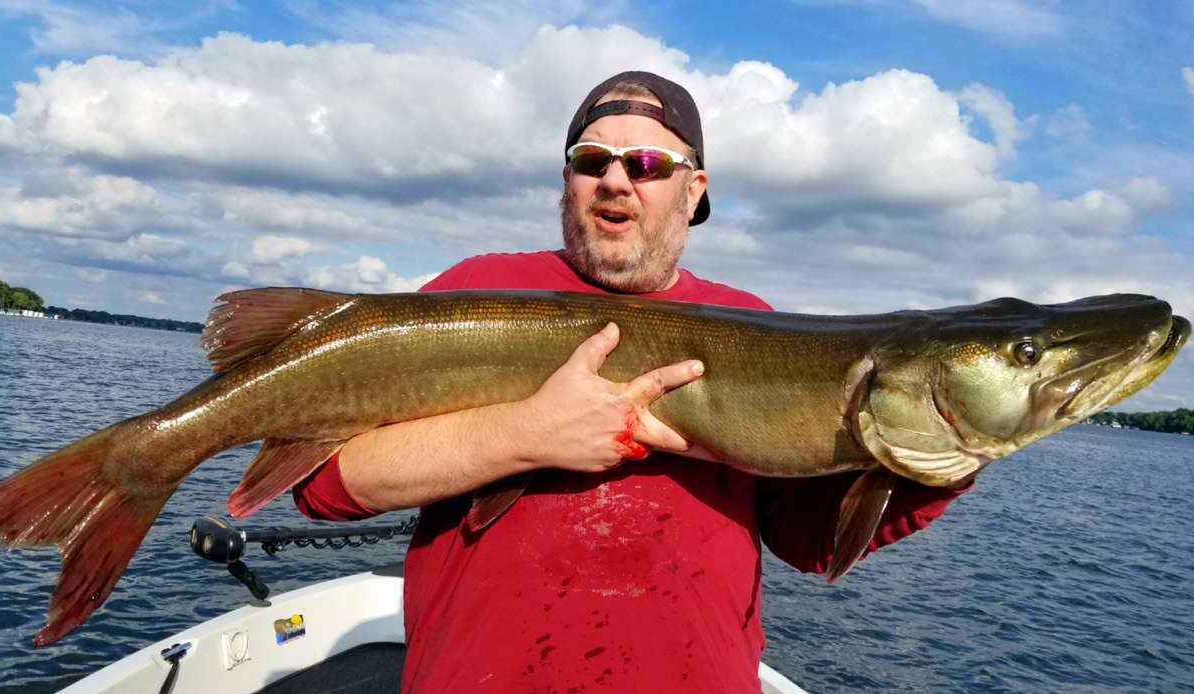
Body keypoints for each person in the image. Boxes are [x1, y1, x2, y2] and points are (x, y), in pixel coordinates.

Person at [293, 71, 969, 693]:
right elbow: (325, 485)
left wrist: (944, 452)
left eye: (647, 164)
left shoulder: (755, 326)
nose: (616, 180)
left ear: (693, 190)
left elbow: (807, 539)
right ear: (569, 182)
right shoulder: (479, 291)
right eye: (592, 161)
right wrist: (524, 436)